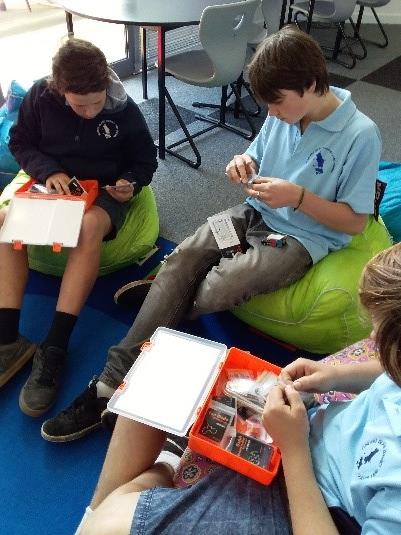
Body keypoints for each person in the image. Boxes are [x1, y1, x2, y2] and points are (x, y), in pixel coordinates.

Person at [41, 26, 381, 442]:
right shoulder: (284, 112)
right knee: (187, 255)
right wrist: (242, 161)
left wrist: (298, 197)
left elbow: (355, 222)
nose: (270, 113)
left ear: (311, 84)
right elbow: (257, 150)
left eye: (276, 104)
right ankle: (110, 382)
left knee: (217, 288)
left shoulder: (360, 135)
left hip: (299, 241)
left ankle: (160, 301)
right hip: (250, 214)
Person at [75, 242, 401, 535]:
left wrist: (294, 450)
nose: (370, 340)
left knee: (102, 526)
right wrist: (335, 376)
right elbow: (390, 374)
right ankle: (160, 470)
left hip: (309, 501)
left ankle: (160, 471)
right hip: (309, 435)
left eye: (377, 334)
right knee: (161, 365)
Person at [0, 38, 157, 416]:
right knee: (7, 222)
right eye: (78, 104)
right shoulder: (41, 95)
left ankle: (55, 346)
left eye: (95, 103)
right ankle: (8, 340)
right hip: (54, 183)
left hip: (103, 191)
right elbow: (19, 142)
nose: (88, 112)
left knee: (87, 229)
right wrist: (48, 170)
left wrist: (130, 182)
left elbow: (145, 160)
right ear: (59, 90)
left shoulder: (122, 107)